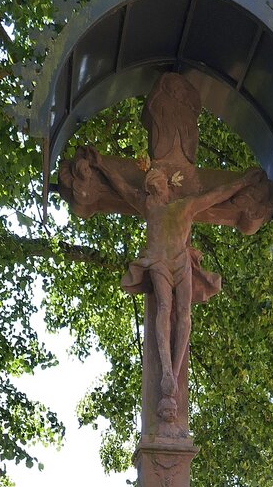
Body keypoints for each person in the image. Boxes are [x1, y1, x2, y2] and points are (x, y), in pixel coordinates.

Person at [89, 151, 263, 420]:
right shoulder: (149, 207)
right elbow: (122, 187)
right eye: (149, 188)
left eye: (155, 185)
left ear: (166, 187)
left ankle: (175, 366)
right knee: (164, 308)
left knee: (183, 314)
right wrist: (101, 165)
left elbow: (215, 196)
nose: (152, 190)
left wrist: (243, 182)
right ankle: (167, 372)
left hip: (181, 263)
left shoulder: (185, 206)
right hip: (159, 262)